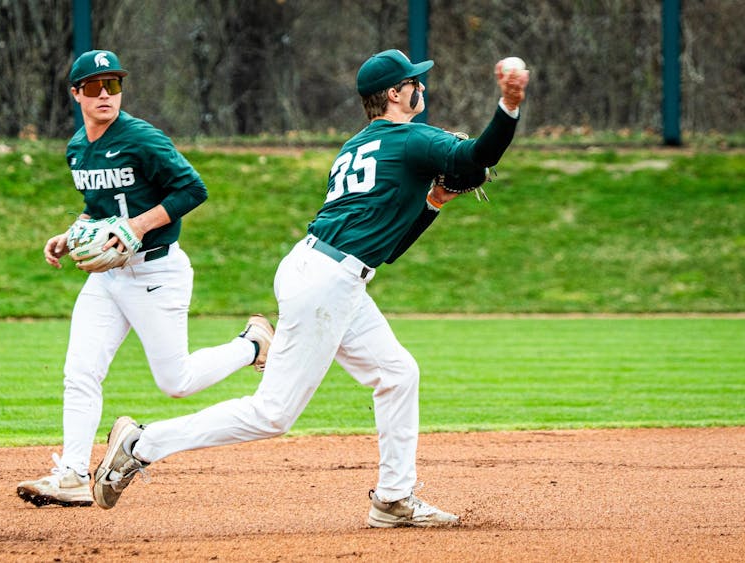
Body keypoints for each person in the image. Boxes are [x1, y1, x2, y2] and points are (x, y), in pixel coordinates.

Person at [90, 49, 530, 528]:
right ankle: (142, 444)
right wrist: (508, 105)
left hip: (325, 271)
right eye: (414, 82)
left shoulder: (359, 146)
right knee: (273, 414)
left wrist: (434, 202)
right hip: (328, 282)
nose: (421, 88)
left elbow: (388, 247)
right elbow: (479, 154)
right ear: (394, 94)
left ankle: (393, 499)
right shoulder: (411, 139)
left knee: (398, 373)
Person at [16, 49, 275, 508]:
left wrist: (139, 225)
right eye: (93, 87)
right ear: (75, 94)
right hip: (108, 279)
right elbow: (99, 210)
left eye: (112, 85)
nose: (104, 95)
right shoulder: (78, 148)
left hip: (157, 271)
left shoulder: (141, 138)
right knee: (80, 371)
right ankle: (74, 473)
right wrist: (70, 235)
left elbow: (194, 190)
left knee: (177, 381)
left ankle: (253, 344)